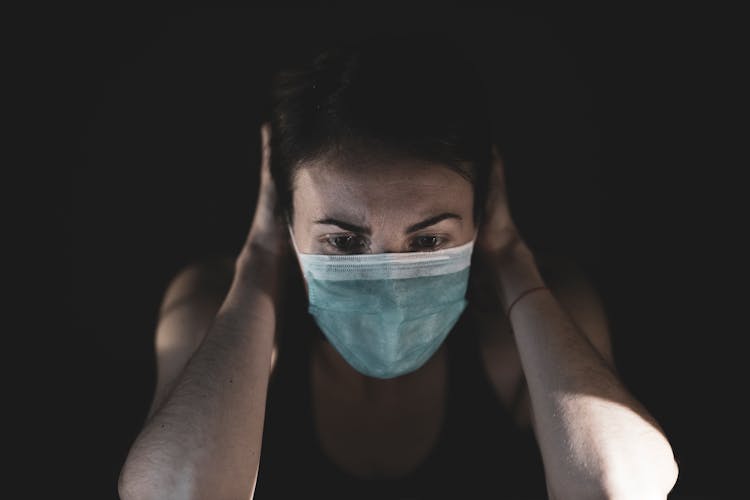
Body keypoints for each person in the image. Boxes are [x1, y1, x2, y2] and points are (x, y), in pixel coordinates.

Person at [118, 33, 679, 499]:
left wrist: (512, 263)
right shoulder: (211, 307)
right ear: (287, 222)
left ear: (479, 217)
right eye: (342, 243)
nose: (388, 285)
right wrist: (262, 262)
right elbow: (173, 491)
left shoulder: (535, 320)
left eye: (429, 239)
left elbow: (621, 486)